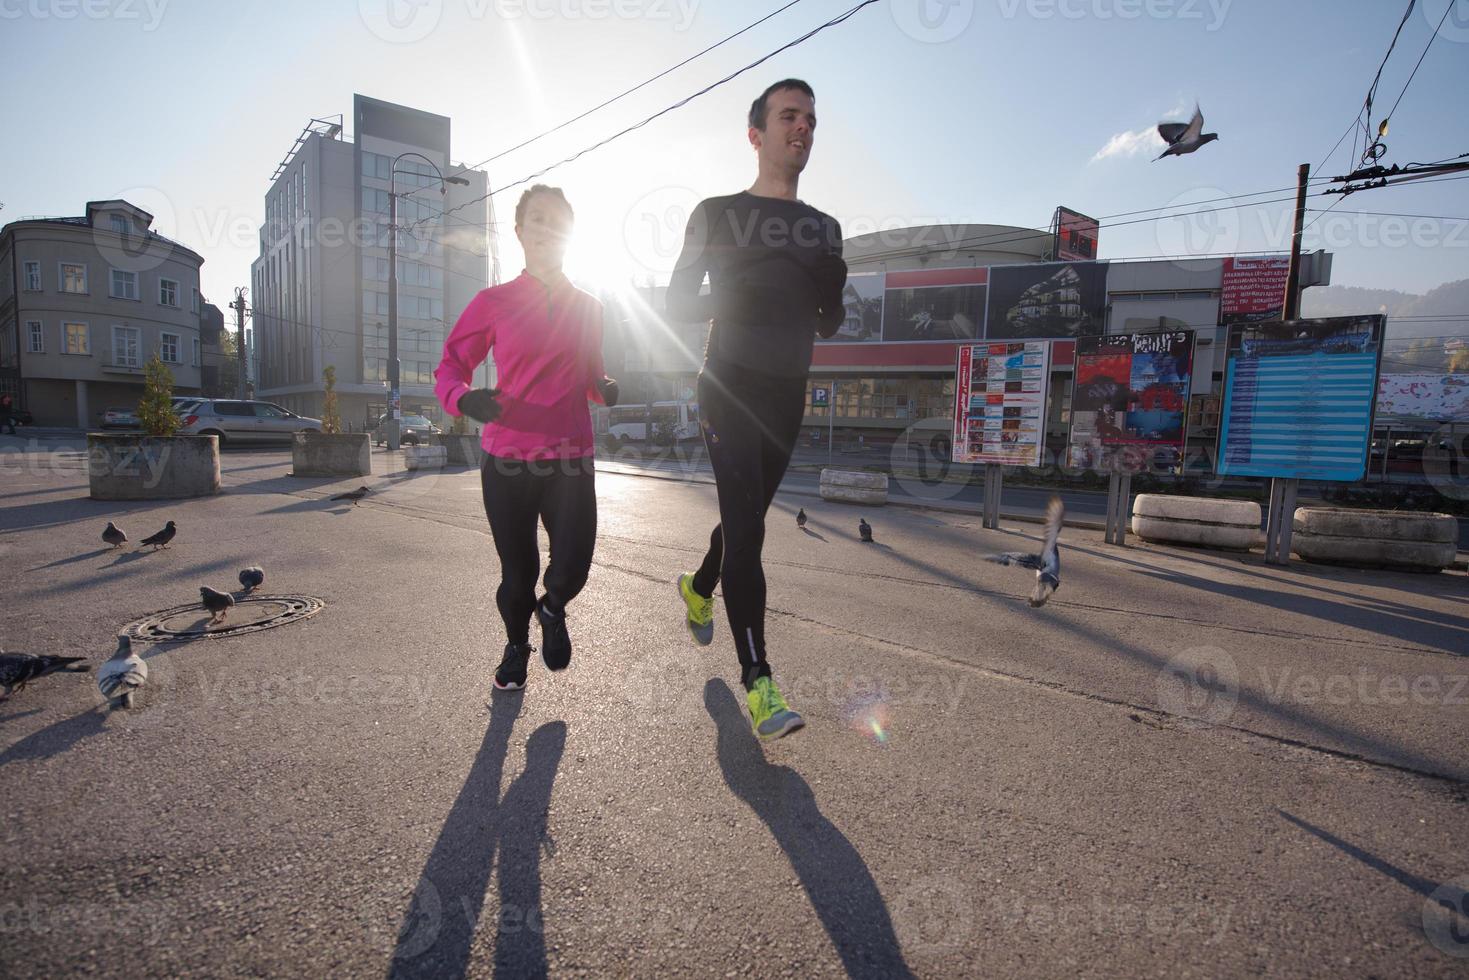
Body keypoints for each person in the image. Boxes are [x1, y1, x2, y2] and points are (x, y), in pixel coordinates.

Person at [665, 79, 847, 740]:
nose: (802, 127)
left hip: (786, 395)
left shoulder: (823, 229)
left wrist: (833, 290)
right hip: (729, 385)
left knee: (743, 520)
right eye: (788, 116)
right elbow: (675, 303)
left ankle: (699, 585)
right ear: (756, 134)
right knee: (749, 529)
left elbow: (827, 324)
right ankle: (759, 682)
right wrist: (730, 305)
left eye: (810, 119)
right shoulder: (716, 213)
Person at [435, 184, 619, 691]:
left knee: (575, 565)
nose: (547, 229)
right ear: (519, 232)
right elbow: (451, 365)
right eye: (537, 219)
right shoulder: (493, 302)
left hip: (570, 456)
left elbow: (590, 376)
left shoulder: (590, 307)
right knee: (517, 574)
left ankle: (553, 607)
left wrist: (604, 389)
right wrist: (462, 398)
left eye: (557, 221)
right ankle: (517, 646)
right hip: (508, 458)